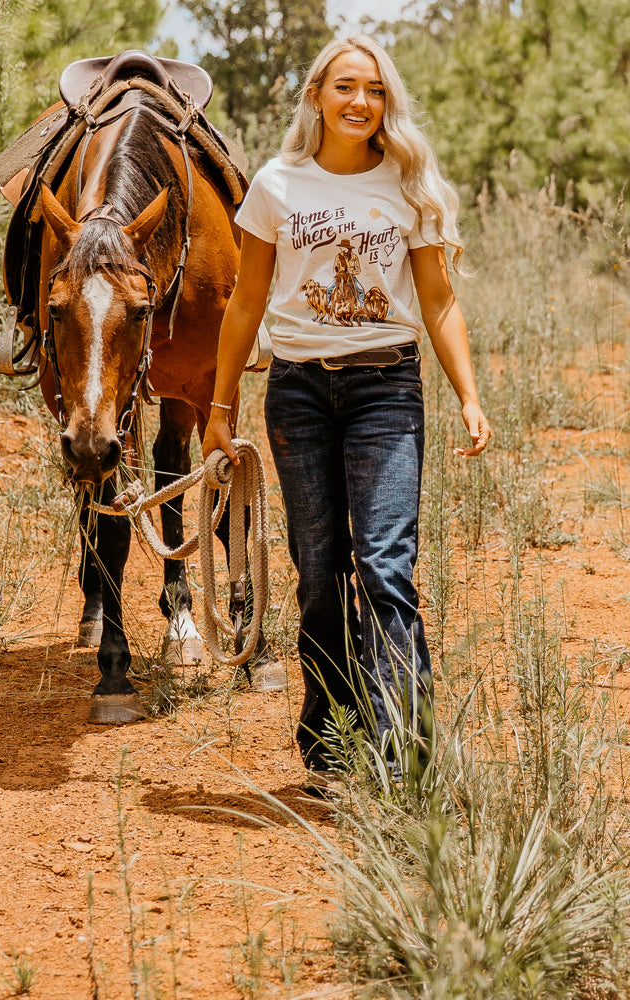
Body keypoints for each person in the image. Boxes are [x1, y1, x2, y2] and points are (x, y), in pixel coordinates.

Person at [202, 35, 491, 783]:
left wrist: (468, 394)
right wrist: (220, 403)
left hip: (386, 389)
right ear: (316, 97)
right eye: (346, 88)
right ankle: (331, 732)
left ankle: (408, 750)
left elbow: (438, 299)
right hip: (297, 391)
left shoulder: (408, 184)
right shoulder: (276, 184)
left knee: (387, 567)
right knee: (320, 572)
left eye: (374, 90)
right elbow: (246, 301)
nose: (361, 102)